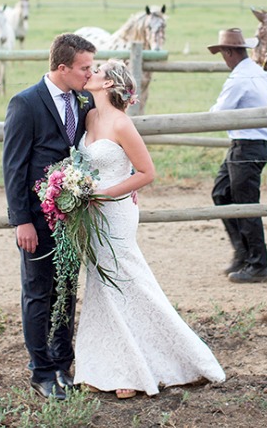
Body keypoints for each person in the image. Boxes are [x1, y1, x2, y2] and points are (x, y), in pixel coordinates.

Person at [73, 60, 226, 399]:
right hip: (91, 213)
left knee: (129, 282)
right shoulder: (89, 116)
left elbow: (146, 172)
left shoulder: (122, 124)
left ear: (109, 84)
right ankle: (105, 365)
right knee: (101, 285)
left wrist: (103, 193)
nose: (90, 72)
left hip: (115, 212)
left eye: (97, 70)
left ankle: (157, 363)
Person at [3, 33, 97, 401]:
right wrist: (20, 220)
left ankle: (62, 365)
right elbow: (13, 167)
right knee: (38, 292)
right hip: (37, 220)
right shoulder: (25, 103)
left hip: (73, 219)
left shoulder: (85, 99)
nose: (90, 74)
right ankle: (40, 371)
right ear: (62, 68)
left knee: (67, 291)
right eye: (84, 68)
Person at [208, 28, 267, 283]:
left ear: (228, 52)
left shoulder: (239, 79)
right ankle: (244, 253)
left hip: (246, 144)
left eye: (222, 53)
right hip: (253, 143)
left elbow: (219, 112)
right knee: (222, 193)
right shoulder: (259, 74)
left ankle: (258, 263)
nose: (223, 58)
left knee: (245, 203)